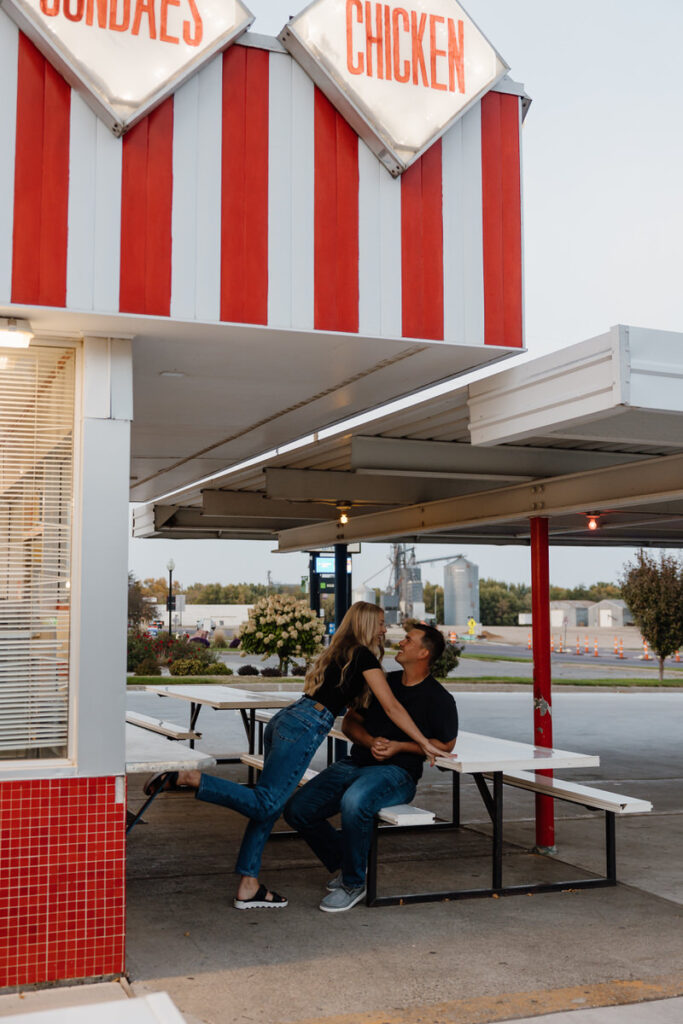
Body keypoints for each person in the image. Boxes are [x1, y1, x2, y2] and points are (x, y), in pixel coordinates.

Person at [143, 602, 443, 911]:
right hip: (304, 728)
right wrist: (424, 742)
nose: (384, 629)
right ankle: (190, 778)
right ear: (367, 624)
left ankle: (249, 885)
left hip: (289, 720)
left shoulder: (343, 650)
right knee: (266, 803)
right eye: (380, 623)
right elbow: (392, 706)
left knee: (268, 806)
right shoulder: (363, 655)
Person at [284, 623, 458, 913]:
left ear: (424, 652)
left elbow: (446, 745)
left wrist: (400, 746)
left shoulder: (439, 698)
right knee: (297, 809)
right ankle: (350, 861)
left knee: (355, 802)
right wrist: (370, 740)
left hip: (397, 774)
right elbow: (350, 721)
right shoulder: (383, 682)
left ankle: (354, 882)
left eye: (408, 640)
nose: (400, 643)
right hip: (356, 763)